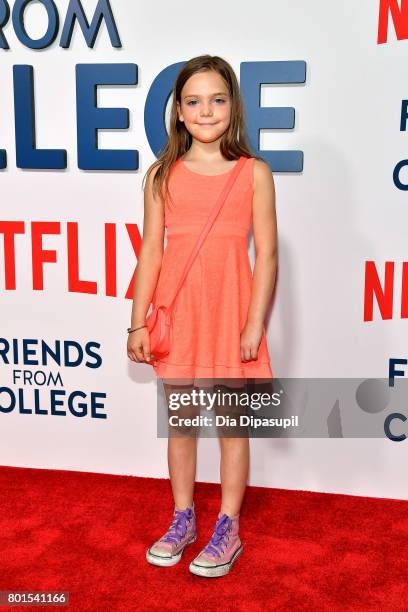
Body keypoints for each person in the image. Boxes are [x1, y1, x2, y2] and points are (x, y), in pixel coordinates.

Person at [127, 54, 277, 578]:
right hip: (181, 316)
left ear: (232, 106)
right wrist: (138, 320)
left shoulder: (253, 173)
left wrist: (255, 323)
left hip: (233, 315)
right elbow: (151, 251)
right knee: (183, 426)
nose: (206, 110)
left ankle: (228, 526)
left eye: (217, 99)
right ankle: (183, 518)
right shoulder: (162, 174)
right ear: (179, 112)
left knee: (233, 428)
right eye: (194, 101)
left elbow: (268, 254)